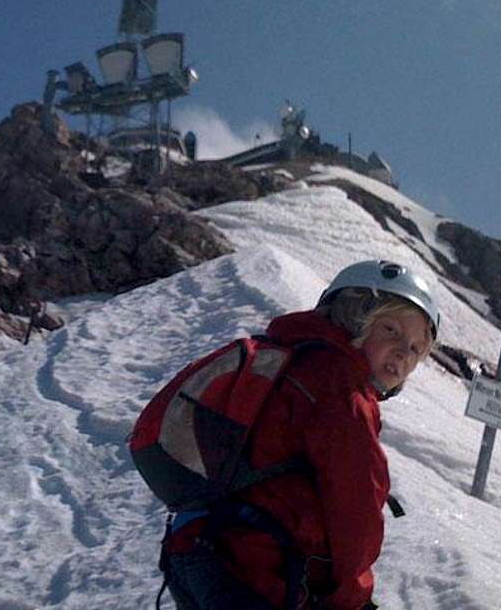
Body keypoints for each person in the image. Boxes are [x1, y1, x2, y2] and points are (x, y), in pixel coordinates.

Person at [161, 260, 441, 610]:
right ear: (353, 318)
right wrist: (352, 599)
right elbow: (356, 510)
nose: (403, 350)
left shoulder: (287, 358)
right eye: (390, 329)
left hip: (197, 547)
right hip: (255, 569)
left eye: (415, 348)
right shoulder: (341, 393)